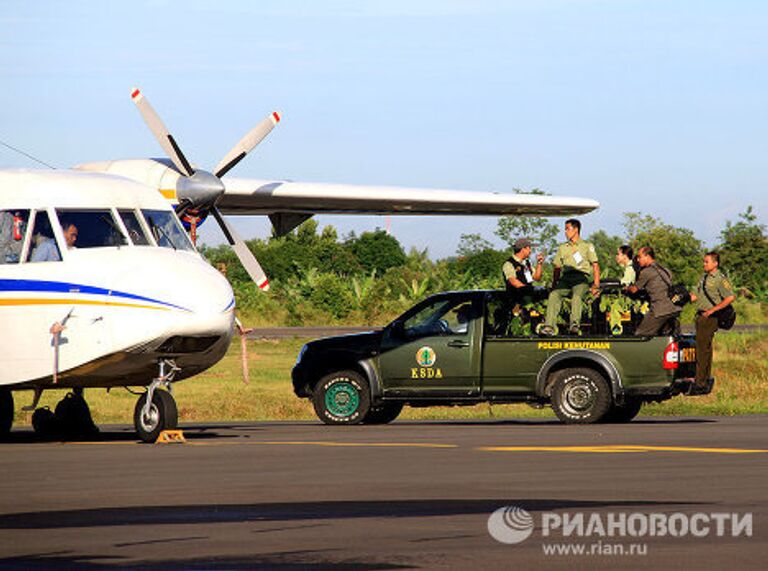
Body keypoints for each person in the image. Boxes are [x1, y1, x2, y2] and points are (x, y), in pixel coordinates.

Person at [540, 219, 600, 336]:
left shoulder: (587, 246)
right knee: (554, 295)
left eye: (568, 229)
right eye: (565, 229)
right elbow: (557, 267)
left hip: (580, 279)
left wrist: (596, 284)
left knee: (577, 296)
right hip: (565, 279)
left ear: (576, 229)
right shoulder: (563, 247)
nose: (565, 232)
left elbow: (595, 265)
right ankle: (549, 327)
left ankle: (574, 325)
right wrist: (554, 285)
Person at [688, 252, 735, 395]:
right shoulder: (703, 278)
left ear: (715, 263)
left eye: (707, 262)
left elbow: (730, 297)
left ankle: (700, 382)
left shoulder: (720, 279)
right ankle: (703, 379)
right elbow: (695, 296)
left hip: (710, 317)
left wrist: (712, 310)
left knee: (703, 349)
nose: (704, 264)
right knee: (703, 348)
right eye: (704, 261)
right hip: (701, 316)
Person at [626, 246, 681, 336]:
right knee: (663, 336)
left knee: (641, 335)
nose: (638, 260)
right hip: (674, 308)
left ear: (647, 256)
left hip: (660, 309)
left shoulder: (647, 272)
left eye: (640, 257)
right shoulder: (665, 270)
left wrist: (626, 288)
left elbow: (634, 289)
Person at [502, 237, 547, 307]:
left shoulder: (526, 264)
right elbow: (513, 281)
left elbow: (536, 278)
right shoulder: (509, 264)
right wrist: (528, 290)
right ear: (523, 249)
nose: (530, 251)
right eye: (529, 248)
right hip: (515, 301)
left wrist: (539, 264)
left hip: (528, 299)